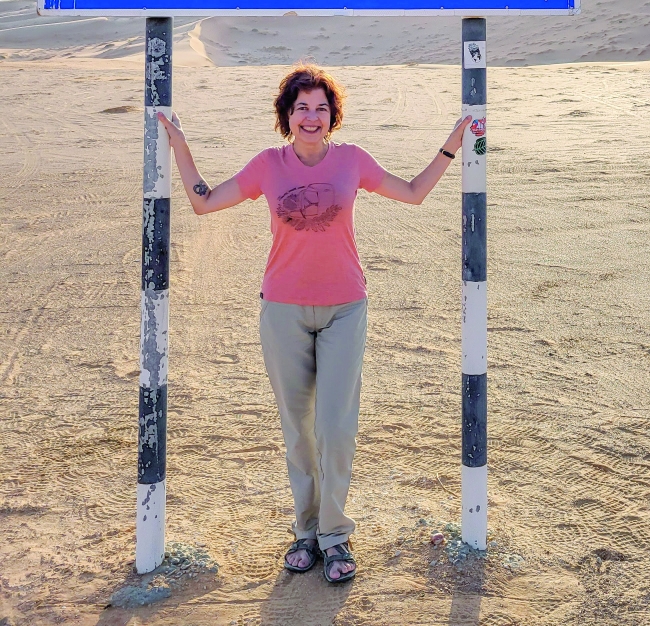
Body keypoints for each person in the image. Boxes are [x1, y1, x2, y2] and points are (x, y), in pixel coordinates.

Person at [158, 64, 470, 584]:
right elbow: (204, 202)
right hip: (283, 310)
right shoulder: (268, 165)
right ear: (286, 115)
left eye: (321, 108)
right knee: (298, 431)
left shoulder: (352, 161)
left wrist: (451, 145)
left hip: (346, 306)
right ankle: (305, 532)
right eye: (301, 107)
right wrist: (180, 144)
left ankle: (335, 534)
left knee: (336, 428)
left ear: (332, 116)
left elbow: (414, 192)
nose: (311, 116)